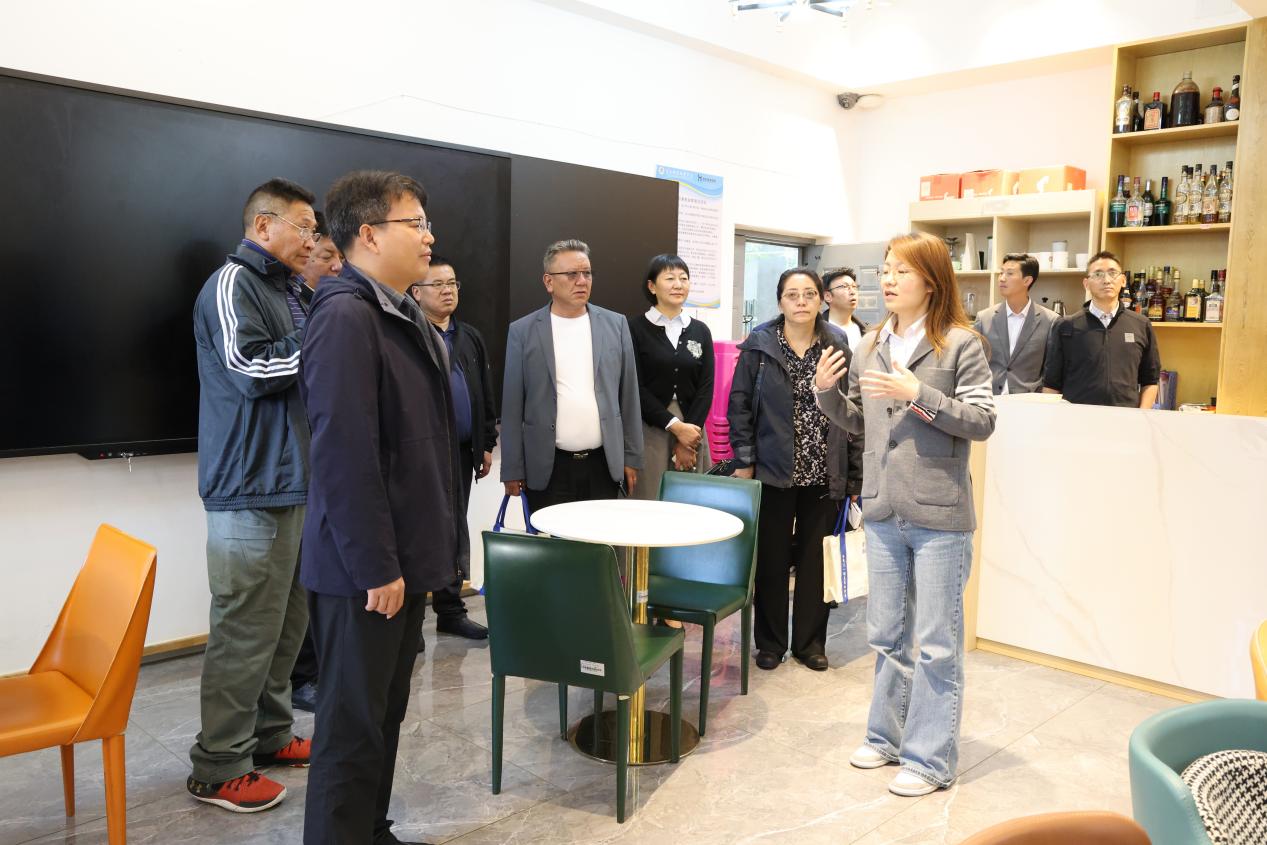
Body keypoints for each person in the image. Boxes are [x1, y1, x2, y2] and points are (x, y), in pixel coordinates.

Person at [300, 170, 464, 845]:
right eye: (414, 223)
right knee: (351, 725)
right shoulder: (345, 316)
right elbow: (343, 456)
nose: (428, 236)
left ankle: (369, 829)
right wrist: (376, 565)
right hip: (363, 572)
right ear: (368, 234)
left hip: (401, 559)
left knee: (383, 715)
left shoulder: (396, 310)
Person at [812, 231, 996, 798]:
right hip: (883, 506)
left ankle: (930, 760)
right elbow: (862, 421)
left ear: (932, 280)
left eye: (901, 271)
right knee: (887, 634)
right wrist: (825, 394)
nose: (888, 280)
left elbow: (982, 421)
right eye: (885, 270)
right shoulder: (870, 342)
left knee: (937, 642)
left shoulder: (961, 344)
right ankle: (885, 736)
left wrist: (919, 393)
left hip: (940, 513)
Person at [188, 178, 318, 813]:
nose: (312, 240)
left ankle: (268, 735)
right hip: (248, 488)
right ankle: (218, 766)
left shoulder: (291, 289)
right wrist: (322, 338)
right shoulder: (232, 284)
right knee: (243, 630)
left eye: (315, 230)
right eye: (303, 227)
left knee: (286, 627)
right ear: (263, 226)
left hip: (293, 483)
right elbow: (251, 368)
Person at [727, 268, 853, 673]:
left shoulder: (837, 343)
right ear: (780, 301)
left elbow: (853, 409)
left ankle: (810, 643)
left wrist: (853, 474)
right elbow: (739, 406)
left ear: (821, 299)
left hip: (824, 469)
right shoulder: (760, 345)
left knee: (817, 561)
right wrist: (744, 461)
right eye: (792, 294)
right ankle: (770, 642)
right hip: (772, 468)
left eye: (809, 294)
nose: (801, 301)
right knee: (772, 560)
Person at [501, 239, 643, 512]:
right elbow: (512, 406)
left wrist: (632, 457)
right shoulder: (523, 331)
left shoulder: (616, 325)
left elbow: (629, 396)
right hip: (548, 467)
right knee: (552, 540)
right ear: (549, 281)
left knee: (600, 538)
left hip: (603, 465)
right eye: (571, 274)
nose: (582, 281)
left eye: (587, 273)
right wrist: (511, 467)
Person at [407, 256, 496, 642]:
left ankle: (450, 610)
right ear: (416, 292)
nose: (448, 291)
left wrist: (486, 443)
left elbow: (484, 394)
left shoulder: (469, 336)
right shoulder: (407, 331)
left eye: (452, 284)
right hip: (420, 456)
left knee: (453, 529)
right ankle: (410, 624)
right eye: (438, 284)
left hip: (460, 452)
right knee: (418, 532)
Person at [289, 210, 342, 714]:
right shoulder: (300, 309)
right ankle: (302, 677)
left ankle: (315, 670)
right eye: (325, 255)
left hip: (317, 464)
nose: (334, 266)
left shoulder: (320, 306)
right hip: (285, 470)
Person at [626, 254, 715, 501]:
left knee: (689, 502)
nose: (678, 285)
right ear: (652, 286)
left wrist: (687, 440)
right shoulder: (634, 328)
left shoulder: (700, 330)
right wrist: (675, 427)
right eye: (670, 278)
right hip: (651, 427)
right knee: (650, 498)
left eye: (683, 278)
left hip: (693, 427)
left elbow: (706, 386)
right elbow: (635, 387)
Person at [1043, 250, 1160, 408]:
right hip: (1076, 417)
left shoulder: (1141, 324)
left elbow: (1150, 381)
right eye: (1098, 274)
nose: (1107, 280)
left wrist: (1142, 414)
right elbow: (1051, 384)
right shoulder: (1066, 326)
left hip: (1126, 417)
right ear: (1086, 284)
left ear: (1123, 280)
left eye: (1113, 273)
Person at [973, 253, 1058, 395]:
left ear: (1027, 280)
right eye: (1001, 273)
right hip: (990, 398)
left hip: (1029, 400)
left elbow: (1051, 371)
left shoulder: (1050, 320)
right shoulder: (984, 318)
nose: (1002, 278)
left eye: (1010, 273)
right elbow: (974, 364)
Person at [822, 267, 868, 352]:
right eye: (845, 286)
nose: (852, 292)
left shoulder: (866, 331)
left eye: (854, 286)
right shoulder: (815, 332)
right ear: (828, 296)